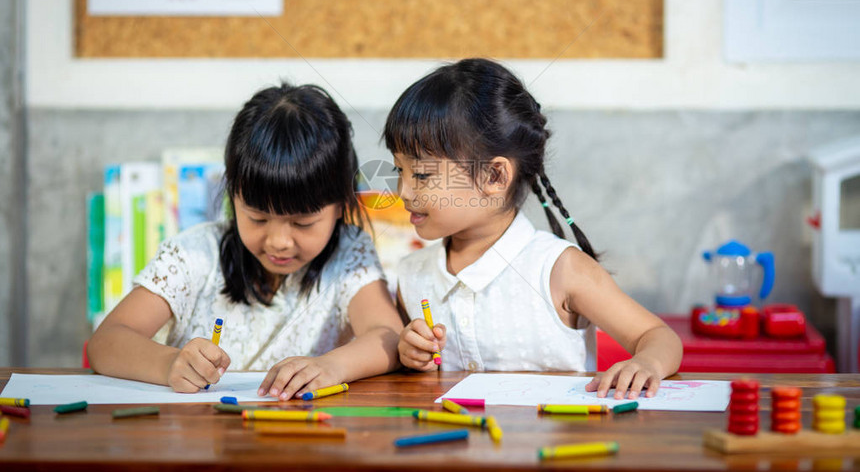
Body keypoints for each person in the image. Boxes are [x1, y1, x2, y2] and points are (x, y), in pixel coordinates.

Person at [386, 58, 682, 399]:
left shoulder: (560, 269)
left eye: (422, 175)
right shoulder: (411, 276)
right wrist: (409, 353)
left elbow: (658, 336)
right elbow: (415, 375)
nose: (403, 191)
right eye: (399, 170)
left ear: (494, 176)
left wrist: (648, 363)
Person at [88, 84, 403, 400]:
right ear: (232, 198)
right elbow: (105, 343)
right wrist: (170, 363)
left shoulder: (348, 252)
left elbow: (389, 336)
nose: (278, 241)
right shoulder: (194, 255)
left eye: (302, 223)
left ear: (340, 206)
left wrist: (332, 367)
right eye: (257, 218)